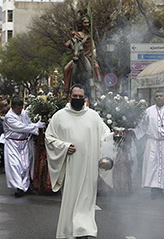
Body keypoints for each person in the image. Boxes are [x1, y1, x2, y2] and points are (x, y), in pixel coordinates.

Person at [45, 84, 114, 239]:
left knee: (86, 199)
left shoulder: (93, 116)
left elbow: (105, 135)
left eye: (80, 97)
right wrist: (64, 147)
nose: (77, 99)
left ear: (85, 98)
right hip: (70, 166)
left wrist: (114, 136)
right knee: (71, 198)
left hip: (89, 168)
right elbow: (49, 138)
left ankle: (84, 229)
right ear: (70, 96)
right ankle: (68, 231)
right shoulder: (59, 116)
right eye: (74, 96)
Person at [134, 89, 164, 200]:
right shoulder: (148, 111)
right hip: (152, 143)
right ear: (154, 98)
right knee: (152, 166)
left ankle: (160, 190)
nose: (159, 98)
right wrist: (133, 134)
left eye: (161, 96)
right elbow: (142, 126)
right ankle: (153, 191)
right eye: (157, 96)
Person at [3, 98, 45, 197]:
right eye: (18, 108)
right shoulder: (9, 117)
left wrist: (36, 127)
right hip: (13, 144)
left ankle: (26, 186)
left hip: (24, 143)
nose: (20, 110)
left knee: (25, 165)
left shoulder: (24, 113)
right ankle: (19, 188)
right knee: (15, 165)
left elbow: (28, 124)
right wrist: (36, 126)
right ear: (13, 107)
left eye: (21, 107)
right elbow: (21, 127)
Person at [64, 16, 101, 96]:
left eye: (88, 23)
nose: (86, 24)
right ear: (82, 24)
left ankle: (97, 86)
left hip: (88, 57)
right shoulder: (77, 35)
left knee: (96, 67)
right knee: (66, 68)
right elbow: (71, 44)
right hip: (78, 56)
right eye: (85, 23)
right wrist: (72, 38)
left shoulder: (89, 36)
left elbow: (93, 47)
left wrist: (94, 53)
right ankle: (66, 91)